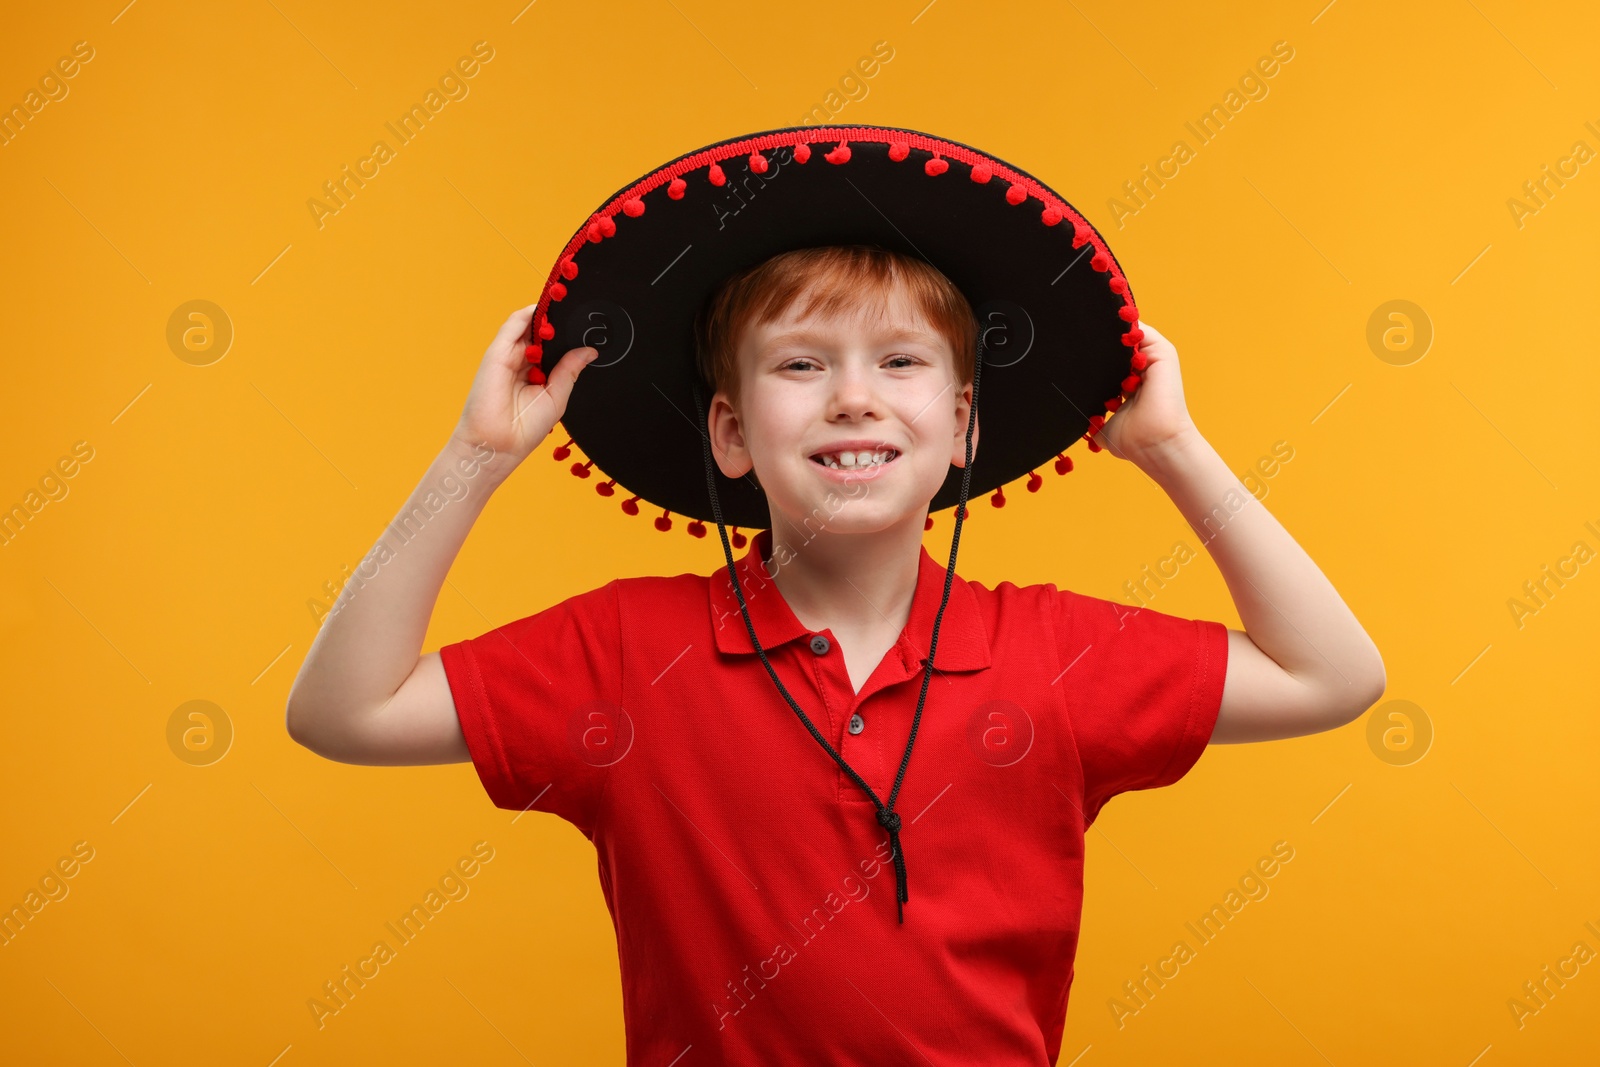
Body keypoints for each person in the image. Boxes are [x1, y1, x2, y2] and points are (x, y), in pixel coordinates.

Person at [285, 126, 1385, 1065]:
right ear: (728, 432)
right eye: (801, 365)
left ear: (961, 426)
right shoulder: (628, 650)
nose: (854, 398)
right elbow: (344, 711)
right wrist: (472, 458)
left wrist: (1176, 449)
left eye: (900, 363)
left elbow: (1331, 673)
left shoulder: (1047, 648)